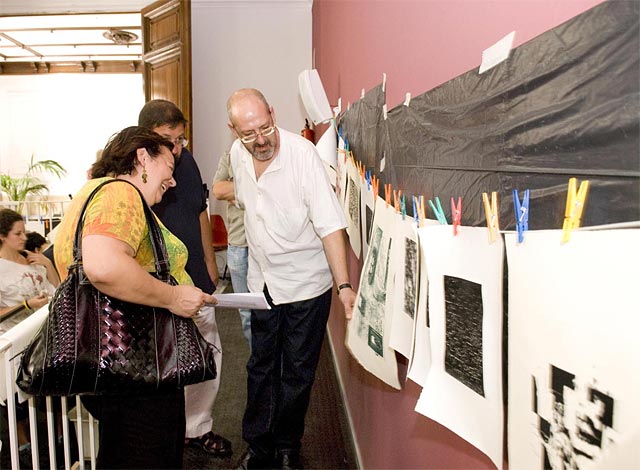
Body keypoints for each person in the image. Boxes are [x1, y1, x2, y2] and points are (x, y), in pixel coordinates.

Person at [54, 126, 217, 469]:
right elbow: (104, 266)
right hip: (138, 361)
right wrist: (173, 297)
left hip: (111, 358)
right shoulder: (121, 193)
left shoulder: (90, 193)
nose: (173, 181)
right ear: (143, 157)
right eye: (168, 167)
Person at [227, 88, 356, 470]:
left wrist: (344, 286)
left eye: (265, 128)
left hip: (306, 285)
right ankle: (258, 447)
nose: (260, 140)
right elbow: (248, 205)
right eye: (249, 134)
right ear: (234, 131)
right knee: (260, 366)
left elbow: (330, 226)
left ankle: (287, 447)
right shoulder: (237, 155)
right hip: (262, 282)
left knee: (297, 371)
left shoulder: (303, 157)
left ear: (272, 112)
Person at [139, 99, 232, 457]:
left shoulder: (186, 160)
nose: (177, 148)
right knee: (163, 363)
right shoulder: (133, 170)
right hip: (157, 284)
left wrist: (209, 263)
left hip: (195, 276)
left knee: (208, 353)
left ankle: (197, 427)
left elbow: (199, 210)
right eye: (169, 139)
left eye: (181, 139)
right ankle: (166, 434)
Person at [212, 151, 252, 347]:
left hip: (267, 246)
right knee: (246, 312)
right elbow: (218, 190)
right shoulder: (229, 156)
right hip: (238, 245)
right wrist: (253, 188)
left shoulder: (270, 153)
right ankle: (257, 356)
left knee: (273, 310)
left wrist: (235, 190)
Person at [0, 209, 58, 333]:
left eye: (24, 232)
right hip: (16, 335)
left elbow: (56, 289)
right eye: (18, 234)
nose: (24, 238)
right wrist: (26, 304)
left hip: (44, 331)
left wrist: (48, 264)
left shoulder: (32, 258)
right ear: (2, 236)